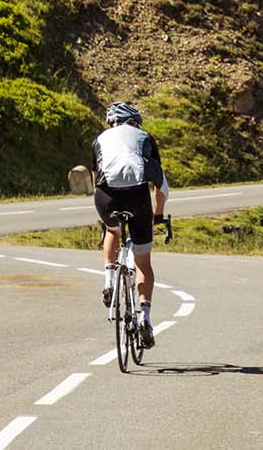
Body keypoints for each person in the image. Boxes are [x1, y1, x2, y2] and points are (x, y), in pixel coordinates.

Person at [92, 100, 169, 347]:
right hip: (137, 197)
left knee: (111, 229)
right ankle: (145, 317)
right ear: (135, 122)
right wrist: (158, 214)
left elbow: (96, 179)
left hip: (106, 196)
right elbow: (161, 186)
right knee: (143, 262)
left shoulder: (100, 139)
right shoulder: (144, 137)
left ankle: (108, 279)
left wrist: (105, 212)